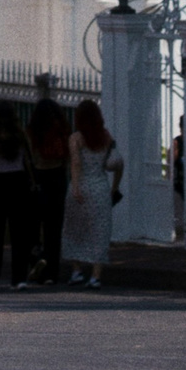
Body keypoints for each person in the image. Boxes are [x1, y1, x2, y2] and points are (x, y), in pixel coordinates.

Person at [61, 99, 125, 288]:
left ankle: (77, 271)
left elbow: (75, 163)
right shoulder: (106, 137)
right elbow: (118, 163)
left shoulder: (75, 138)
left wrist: (75, 186)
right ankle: (96, 276)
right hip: (100, 188)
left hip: (81, 187)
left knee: (74, 230)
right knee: (99, 231)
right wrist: (114, 188)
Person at [0, 103, 35, 289]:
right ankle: (19, 278)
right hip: (19, 182)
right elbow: (28, 161)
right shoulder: (20, 137)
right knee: (20, 234)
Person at [27, 94, 71, 285]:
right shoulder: (62, 130)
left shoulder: (33, 131)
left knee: (33, 225)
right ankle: (52, 272)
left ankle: (37, 260)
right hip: (58, 177)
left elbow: (30, 157)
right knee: (54, 227)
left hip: (39, 176)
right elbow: (67, 157)